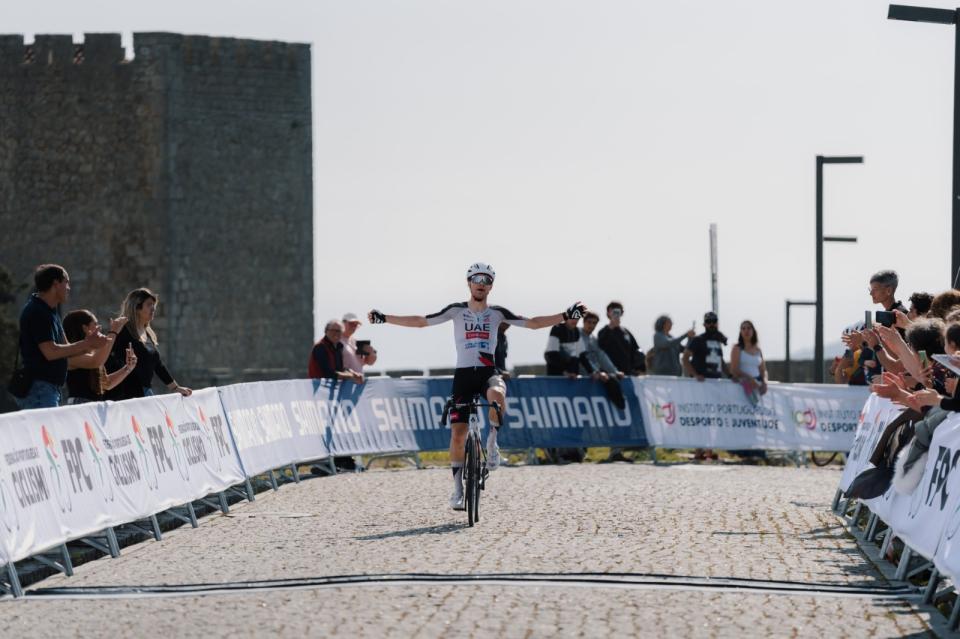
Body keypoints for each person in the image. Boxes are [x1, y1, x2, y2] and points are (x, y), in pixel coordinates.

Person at [368, 262, 584, 510]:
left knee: (497, 394)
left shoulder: (498, 313)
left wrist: (565, 315)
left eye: (487, 280)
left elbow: (533, 323)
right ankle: (458, 491)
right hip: (463, 376)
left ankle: (492, 441)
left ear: (491, 286)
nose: (481, 284)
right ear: (469, 282)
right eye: (477, 279)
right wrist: (384, 318)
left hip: (487, 372)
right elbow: (420, 321)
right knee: (458, 435)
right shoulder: (456, 310)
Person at [15, 264, 108, 409]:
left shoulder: (50, 312)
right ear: (56, 284)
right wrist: (86, 343)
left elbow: (68, 349)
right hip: (39, 390)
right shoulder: (37, 312)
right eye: (67, 282)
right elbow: (51, 352)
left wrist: (93, 344)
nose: (69, 288)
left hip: (49, 390)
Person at [106, 288, 192, 400]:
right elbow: (109, 360)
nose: (154, 308)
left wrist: (176, 388)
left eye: (154, 305)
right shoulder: (122, 331)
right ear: (137, 307)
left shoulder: (148, 333)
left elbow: (158, 365)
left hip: (145, 392)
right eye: (149, 305)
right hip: (126, 395)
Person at [63, 310, 138, 404]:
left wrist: (127, 368)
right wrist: (114, 331)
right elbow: (95, 361)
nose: (100, 327)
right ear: (85, 328)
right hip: (80, 405)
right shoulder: (70, 354)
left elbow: (106, 383)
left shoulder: (91, 353)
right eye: (95, 324)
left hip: (94, 405)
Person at [597, 301, 645, 375]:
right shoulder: (603, 331)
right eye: (613, 311)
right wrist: (611, 326)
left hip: (627, 373)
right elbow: (600, 347)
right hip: (610, 375)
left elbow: (636, 350)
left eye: (618, 311)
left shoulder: (626, 332)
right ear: (608, 313)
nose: (616, 314)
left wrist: (640, 368)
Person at [308, 320, 363, 384]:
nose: (336, 333)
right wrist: (351, 376)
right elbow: (328, 373)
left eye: (339, 331)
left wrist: (353, 373)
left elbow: (340, 369)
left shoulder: (339, 347)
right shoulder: (320, 347)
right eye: (333, 330)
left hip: (332, 388)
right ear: (326, 331)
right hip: (318, 388)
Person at [729, 320, 768, 404]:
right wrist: (750, 379)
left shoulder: (758, 350)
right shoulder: (737, 348)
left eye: (749, 328)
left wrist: (764, 383)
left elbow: (763, 370)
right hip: (743, 387)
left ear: (753, 331)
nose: (746, 331)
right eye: (743, 328)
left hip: (757, 387)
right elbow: (734, 369)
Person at [682, 312, 729, 381]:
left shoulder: (718, 341)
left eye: (714, 321)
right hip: (701, 384)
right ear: (704, 324)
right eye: (708, 321)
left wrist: (730, 376)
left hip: (717, 382)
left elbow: (720, 360)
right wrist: (695, 375)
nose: (711, 324)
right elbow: (685, 359)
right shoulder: (698, 339)